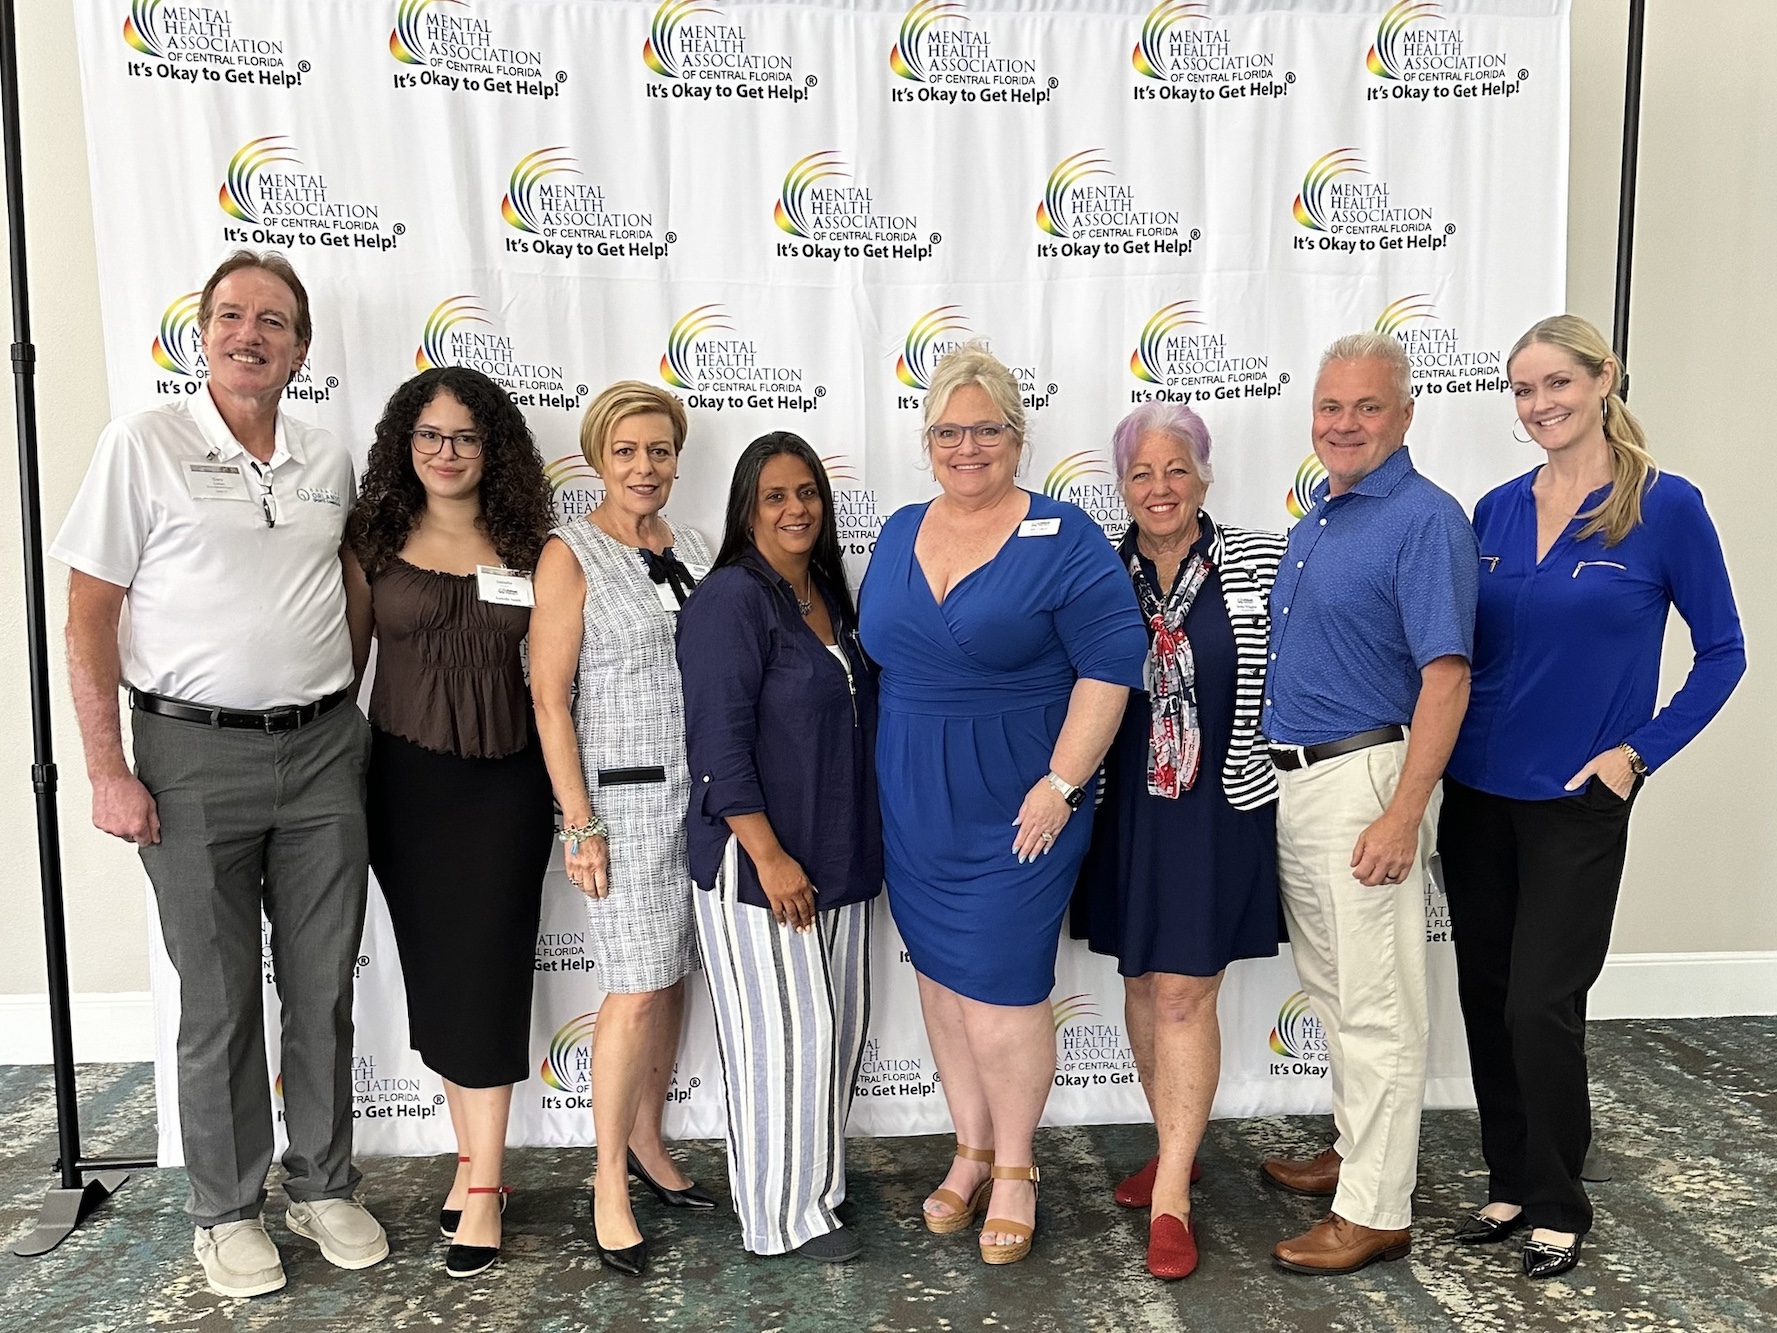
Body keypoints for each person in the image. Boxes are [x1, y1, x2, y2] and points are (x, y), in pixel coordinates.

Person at [51, 250, 387, 1298]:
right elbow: (89, 617)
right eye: (232, 316)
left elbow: (354, 593)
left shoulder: (330, 458)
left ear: (300, 349)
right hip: (191, 757)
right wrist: (108, 769)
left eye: (274, 321)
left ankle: (322, 1181)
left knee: (324, 983)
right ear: (202, 333)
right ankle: (225, 1208)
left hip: (325, 749)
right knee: (221, 995)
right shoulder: (141, 444)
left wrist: (340, 701)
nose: (251, 334)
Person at [1438, 315, 1745, 1280]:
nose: (1539, 406)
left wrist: (1636, 753)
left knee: (1541, 1001)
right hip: (1475, 791)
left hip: (1574, 798)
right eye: (1522, 390)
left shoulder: (1665, 507)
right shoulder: (1491, 509)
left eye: (1555, 384)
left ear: (1603, 377)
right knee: (1485, 993)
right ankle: (1508, 1177)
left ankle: (1559, 1196)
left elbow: (1723, 653)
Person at [859, 341, 1147, 1265]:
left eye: (985, 429)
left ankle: (1017, 1165)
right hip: (912, 796)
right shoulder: (901, 527)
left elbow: (1109, 673)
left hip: (1023, 800)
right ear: (927, 439)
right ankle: (970, 1146)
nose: (966, 446)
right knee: (941, 981)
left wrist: (1061, 786)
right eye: (948, 430)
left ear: (1018, 437)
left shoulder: (1067, 538)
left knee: (1002, 991)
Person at [1260, 332, 1478, 1276]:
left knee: (1380, 1002)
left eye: (1366, 407)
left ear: (1405, 414)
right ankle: (1356, 1153)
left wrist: (1402, 814)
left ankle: (1377, 1209)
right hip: (1300, 780)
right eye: (1330, 407)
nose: (1343, 424)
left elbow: (1446, 678)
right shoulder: (1320, 514)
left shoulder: (1424, 519)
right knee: (1338, 989)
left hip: (1368, 780)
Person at [343, 367, 555, 1279]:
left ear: (492, 448)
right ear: (405, 443)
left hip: (506, 786)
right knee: (437, 974)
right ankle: (470, 1158)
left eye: (465, 436)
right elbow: (345, 666)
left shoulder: (531, 543)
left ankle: (486, 1184)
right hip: (403, 783)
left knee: (491, 974)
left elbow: (554, 679)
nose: (446, 451)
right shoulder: (374, 538)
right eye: (429, 434)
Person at [1072, 402, 1287, 1280]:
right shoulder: (1095, 569)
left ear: (1204, 475)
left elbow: (1303, 672)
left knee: (1181, 994)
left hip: (1218, 805)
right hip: (1123, 807)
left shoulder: (1261, 561)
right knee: (1137, 978)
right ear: (1120, 486)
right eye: (1139, 474)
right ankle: (1175, 1146)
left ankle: (1172, 1199)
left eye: (1175, 469)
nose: (1158, 488)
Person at [676, 433, 882, 1264]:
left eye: (807, 492)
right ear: (746, 509)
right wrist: (769, 855)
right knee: (780, 1041)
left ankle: (817, 1188)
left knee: (832, 1035)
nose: (796, 508)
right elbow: (717, 745)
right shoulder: (731, 598)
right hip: (761, 862)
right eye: (774, 496)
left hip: (838, 853)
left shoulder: (826, 588)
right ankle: (777, 1219)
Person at [530, 380, 715, 1277]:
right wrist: (579, 823)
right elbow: (548, 699)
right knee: (636, 989)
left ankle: (647, 1144)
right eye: (627, 451)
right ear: (598, 458)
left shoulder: (702, 548)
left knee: (672, 977)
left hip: (705, 801)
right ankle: (606, 1178)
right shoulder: (570, 553)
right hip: (624, 805)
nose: (645, 467)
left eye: (660, 451)